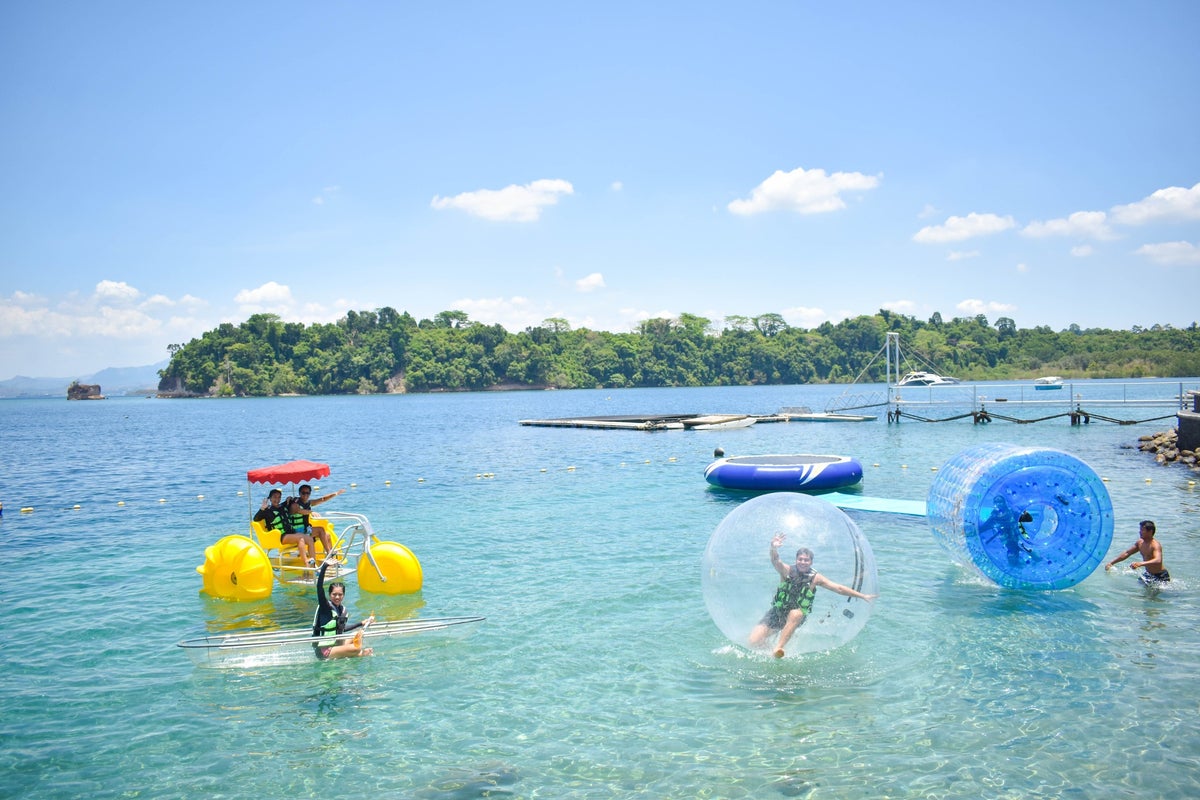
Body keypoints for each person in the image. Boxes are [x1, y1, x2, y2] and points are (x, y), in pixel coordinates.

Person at [749, 533, 877, 658]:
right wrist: (773, 547)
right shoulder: (786, 570)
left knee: (796, 613)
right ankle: (772, 652)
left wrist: (862, 596)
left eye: (806, 560)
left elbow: (838, 588)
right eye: (800, 559)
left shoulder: (815, 578)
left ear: (811, 562)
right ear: (796, 560)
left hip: (796, 617)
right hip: (777, 612)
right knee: (753, 641)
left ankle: (779, 647)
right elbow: (775, 560)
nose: (803, 562)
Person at [312, 557, 374, 659]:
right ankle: (359, 653)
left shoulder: (341, 609)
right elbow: (319, 587)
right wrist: (324, 567)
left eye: (340, 594)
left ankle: (354, 653)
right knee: (356, 647)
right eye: (334, 594)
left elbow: (341, 629)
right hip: (324, 651)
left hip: (335, 645)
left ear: (343, 595)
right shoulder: (325, 607)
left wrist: (361, 623)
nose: (337, 597)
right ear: (330, 594)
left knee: (357, 634)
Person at [254, 488, 315, 567]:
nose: (277, 499)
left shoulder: (282, 506)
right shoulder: (267, 510)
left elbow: (293, 503)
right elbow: (256, 519)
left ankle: (313, 565)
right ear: (270, 498)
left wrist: (290, 499)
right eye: (274, 497)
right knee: (300, 538)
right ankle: (306, 563)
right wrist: (262, 508)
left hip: (291, 534)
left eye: (279, 497)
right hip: (280, 537)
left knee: (310, 539)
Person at [287, 484, 344, 559]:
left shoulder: (308, 503)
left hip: (305, 530)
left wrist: (335, 494)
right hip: (296, 531)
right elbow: (299, 511)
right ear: (299, 493)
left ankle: (330, 561)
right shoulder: (294, 503)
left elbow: (322, 499)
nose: (305, 495)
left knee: (327, 535)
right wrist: (311, 512)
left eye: (307, 493)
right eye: (303, 493)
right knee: (320, 530)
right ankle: (329, 553)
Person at [978, 495, 1037, 566]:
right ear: (994, 504)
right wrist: (974, 532)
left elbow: (1028, 518)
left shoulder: (1012, 513)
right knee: (1012, 560)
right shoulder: (994, 518)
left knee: (1033, 553)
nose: (998, 504)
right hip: (1009, 543)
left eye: (1000, 501)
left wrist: (1021, 510)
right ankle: (1018, 567)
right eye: (996, 502)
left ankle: (1037, 562)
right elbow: (983, 528)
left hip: (1019, 539)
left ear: (1004, 503)